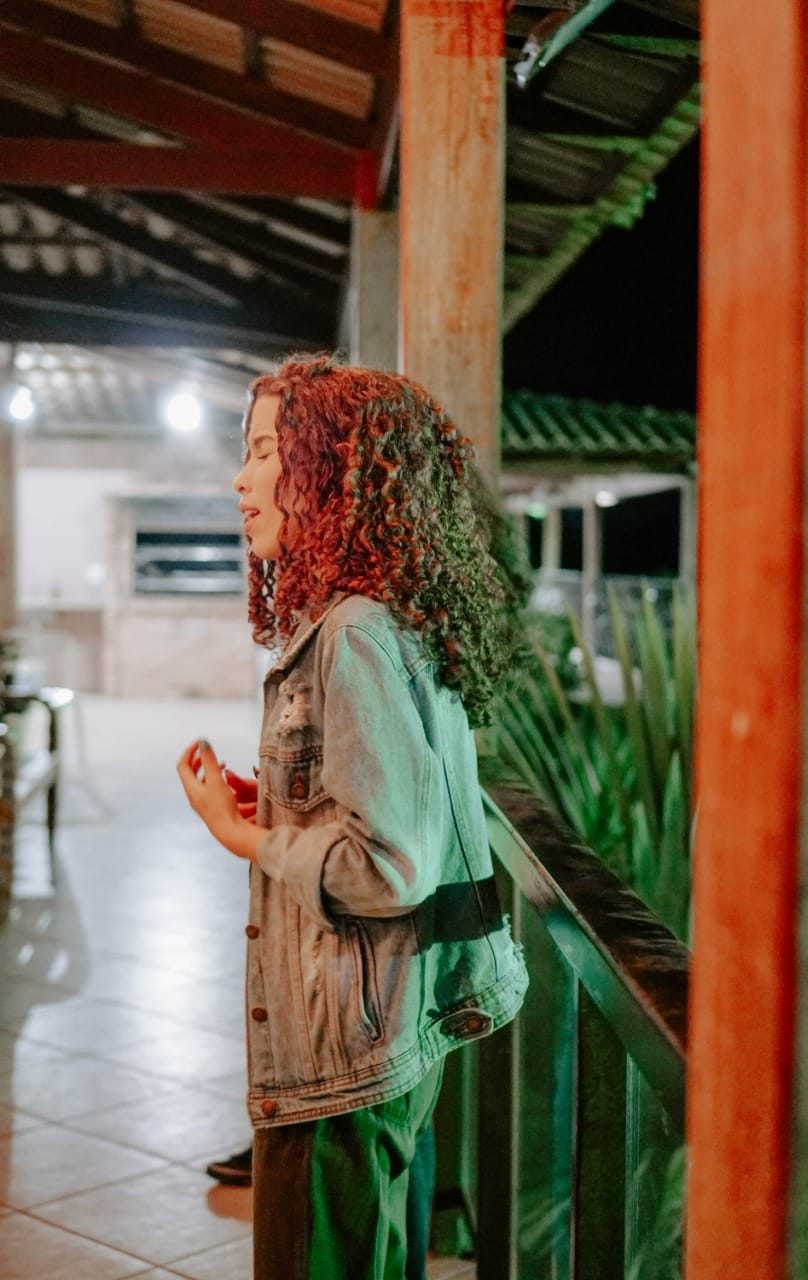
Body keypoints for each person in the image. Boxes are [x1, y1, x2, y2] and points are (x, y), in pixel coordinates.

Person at [177, 355, 528, 1280]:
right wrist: (283, 806)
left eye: (264, 453)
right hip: (386, 1029)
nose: (241, 479)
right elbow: (390, 803)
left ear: (330, 470)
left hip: (343, 1048)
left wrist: (243, 835)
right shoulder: (382, 616)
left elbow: (389, 865)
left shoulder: (353, 632)